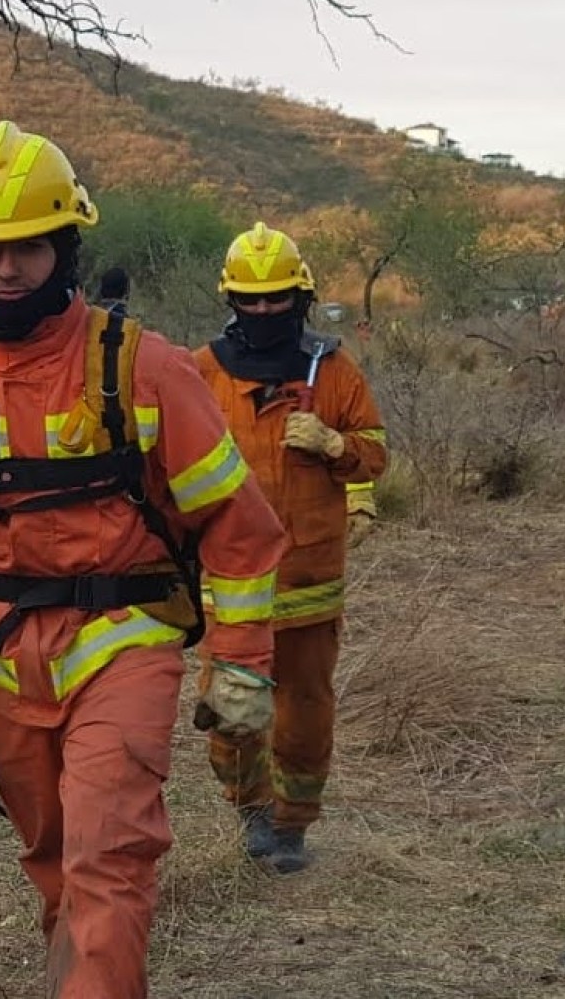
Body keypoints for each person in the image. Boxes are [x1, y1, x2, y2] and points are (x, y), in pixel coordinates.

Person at [0, 121, 287, 998]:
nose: (9, 269)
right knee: (52, 859)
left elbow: (237, 525)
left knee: (107, 855)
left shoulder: (144, 367)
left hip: (124, 640)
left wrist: (239, 663)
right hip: (0, 657)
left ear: (66, 243)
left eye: (29, 246)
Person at [192, 221, 387, 873]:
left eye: (277, 297)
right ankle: (249, 810)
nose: (264, 309)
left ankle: (292, 824)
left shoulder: (332, 370)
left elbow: (376, 454)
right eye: (251, 299)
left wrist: (336, 446)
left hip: (309, 580)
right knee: (229, 710)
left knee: (304, 713)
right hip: (230, 586)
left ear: (300, 296)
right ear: (231, 299)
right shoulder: (202, 372)